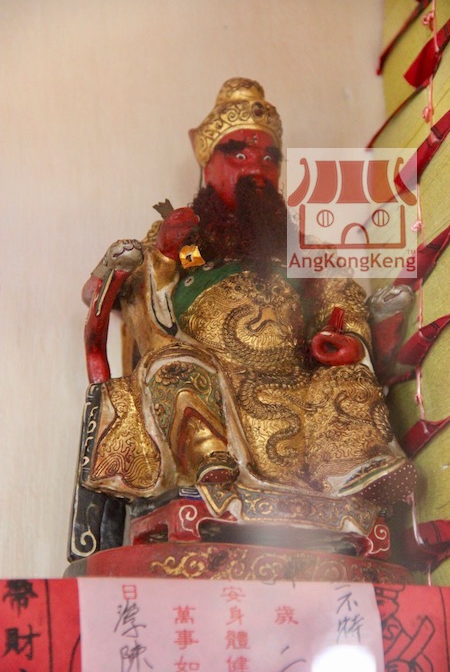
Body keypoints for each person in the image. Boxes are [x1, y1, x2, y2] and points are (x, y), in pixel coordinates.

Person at [71, 79, 416, 557]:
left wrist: (347, 337)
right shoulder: (172, 236)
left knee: (347, 381)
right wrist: (165, 257)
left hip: (297, 378)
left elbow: (341, 296)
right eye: (238, 153)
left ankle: (353, 471)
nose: (257, 167)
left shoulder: (304, 246)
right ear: (207, 163)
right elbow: (130, 307)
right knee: (174, 370)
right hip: (213, 377)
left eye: (270, 158)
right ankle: (210, 465)